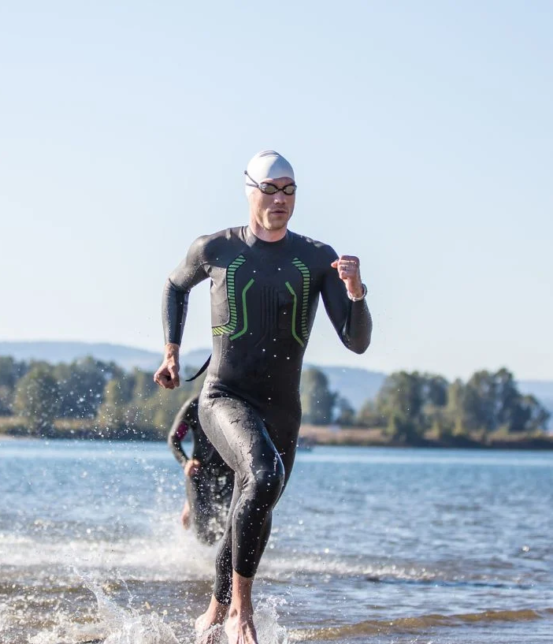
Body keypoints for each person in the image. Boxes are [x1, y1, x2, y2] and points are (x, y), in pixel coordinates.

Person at [153, 151, 372, 644]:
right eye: (270, 189)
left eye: (289, 190)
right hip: (224, 395)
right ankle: (239, 613)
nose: (280, 199)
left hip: (282, 409)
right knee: (264, 473)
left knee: (258, 498)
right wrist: (171, 353)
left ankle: (212, 610)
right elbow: (173, 286)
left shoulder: (316, 258)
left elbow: (356, 340)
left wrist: (356, 292)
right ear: (248, 189)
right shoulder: (216, 249)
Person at [167, 394, 234, 546]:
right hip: (199, 472)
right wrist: (186, 462)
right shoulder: (196, 405)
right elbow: (174, 438)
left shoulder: (237, 402)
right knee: (203, 531)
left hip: (230, 475)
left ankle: (224, 564)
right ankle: (191, 557)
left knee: (227, 526)